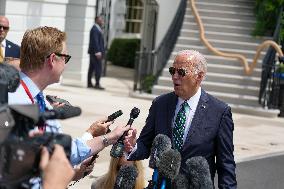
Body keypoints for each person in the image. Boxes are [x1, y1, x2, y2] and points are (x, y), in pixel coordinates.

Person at [8, 26, 130, 188]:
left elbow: (61, 150)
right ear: (52, 59)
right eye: (65, 58)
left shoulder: (38, 97)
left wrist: (107, 137)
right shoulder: (15, 101)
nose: (65, 64)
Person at [124, 50, 237, 188]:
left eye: (181, 72)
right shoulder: (160, 104)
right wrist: (132, 146)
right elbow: (145, 145)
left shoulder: (219, 112)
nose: (174, 77)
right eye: (172, 71)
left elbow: (226, 164)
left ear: (199, 76)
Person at [87, 16, 105, 90]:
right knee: (98, 68)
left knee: (91, 68)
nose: (102, 21)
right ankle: (97, 84)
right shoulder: (95, 29)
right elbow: (95, 41)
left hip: (93, 52)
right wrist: (98, 52)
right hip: (95, 53)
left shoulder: (97, 28)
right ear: (97, 20)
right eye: (101, 20)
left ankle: (89, 83)